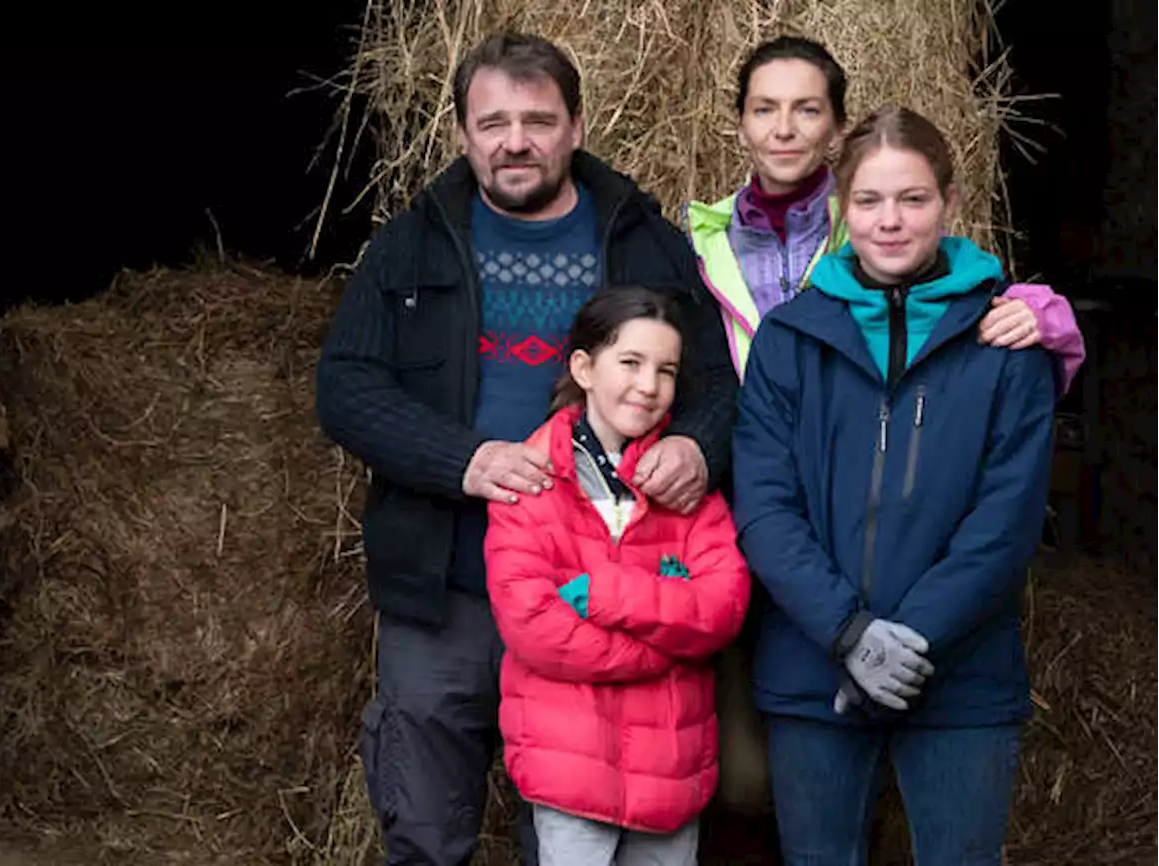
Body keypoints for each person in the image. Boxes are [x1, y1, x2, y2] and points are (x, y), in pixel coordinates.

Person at [315, 31, 738, 866]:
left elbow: (718, 383)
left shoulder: (640, 240)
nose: (515, 141)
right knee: (429, 819)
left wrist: (696, 445)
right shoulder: (414, 243)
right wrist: (463, 460)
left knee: (576, 826)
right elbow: (346, 389)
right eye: (493, 122)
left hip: (600, 586)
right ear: (465, 134)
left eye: (537, 120)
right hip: (450, 583)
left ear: (576, 127)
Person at [683, 34, 1085, 820]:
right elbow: (767, 504)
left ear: (952, 203)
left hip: (961, 674)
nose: (891, 222)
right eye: (869, 202)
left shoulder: (1005, 339)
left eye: (914, 200)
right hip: (811, 663)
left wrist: (915, 635)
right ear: (842, 207)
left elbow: (1004, 522)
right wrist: (846, 632)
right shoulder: (792, 338)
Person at [484, 285, 752, 866]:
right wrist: (663, 647)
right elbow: (534, 626)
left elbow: (722, 605)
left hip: (670, 768)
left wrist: (604, 595)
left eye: (666, 370)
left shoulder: (686, 488)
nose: (648, 385)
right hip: (570, 763)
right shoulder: (531, 477)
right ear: (583, 366)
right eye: (629, 362)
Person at [685, 35, 1085, 388]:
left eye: (807, 109)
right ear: (740, 126)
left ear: (839, 126)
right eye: (764, 109)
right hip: (748, 459)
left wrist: (1046, 315)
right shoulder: (702, 239)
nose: (784, 128)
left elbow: (955, 279)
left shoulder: (874, 223)